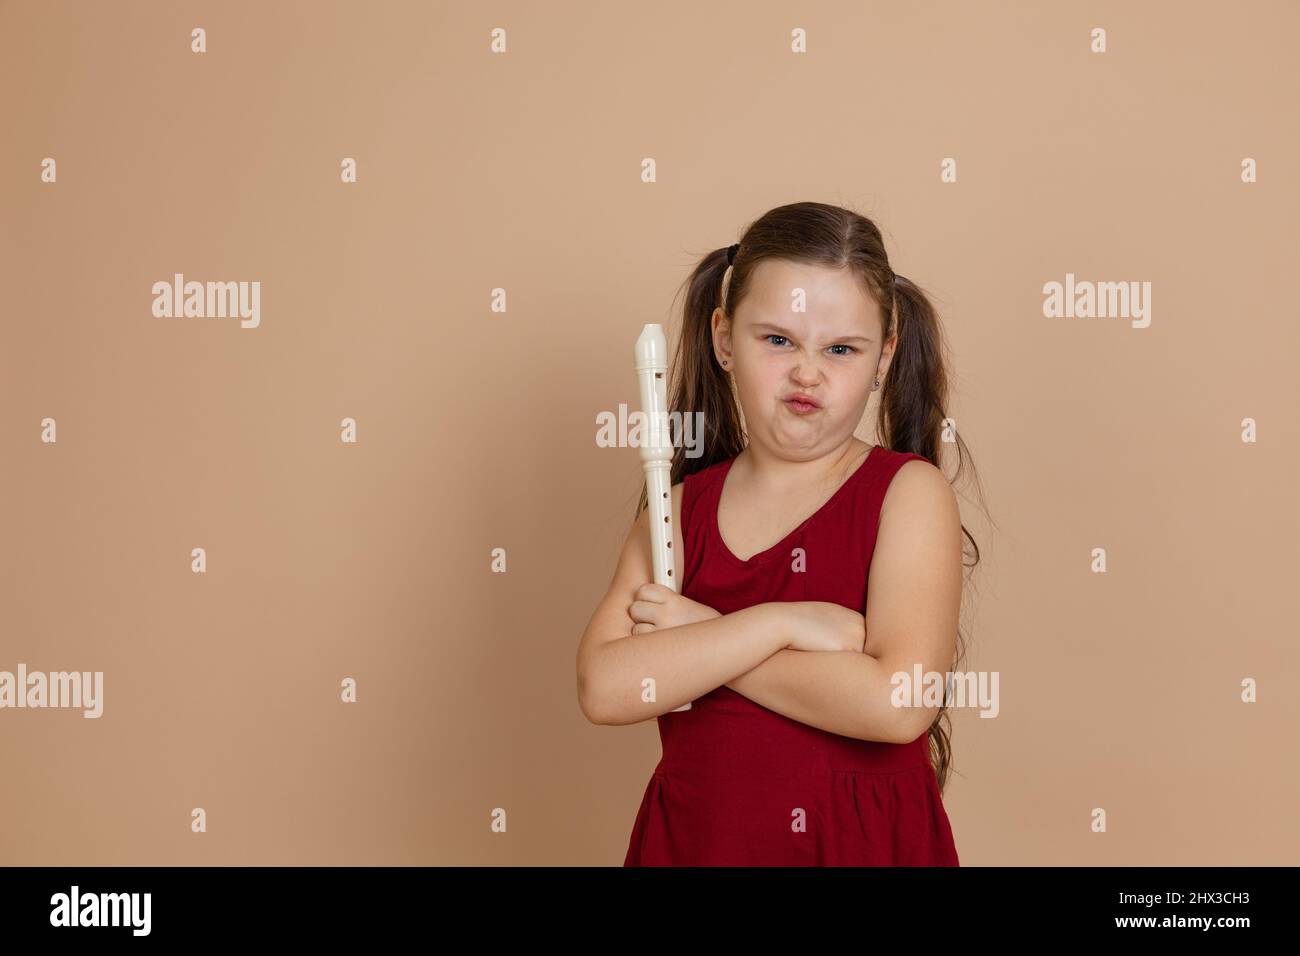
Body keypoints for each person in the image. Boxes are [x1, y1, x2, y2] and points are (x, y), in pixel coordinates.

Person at [576, 200, 989, 865]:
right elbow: (606, 687)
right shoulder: (677, 511)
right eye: (777, 339)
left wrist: (699, 634)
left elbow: (895, 704)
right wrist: (780, 624)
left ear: (883, 356)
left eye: (841, 349)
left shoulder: (906, 494)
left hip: (857, 847)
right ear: (722, 340)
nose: (807, 371)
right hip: (701, 844)